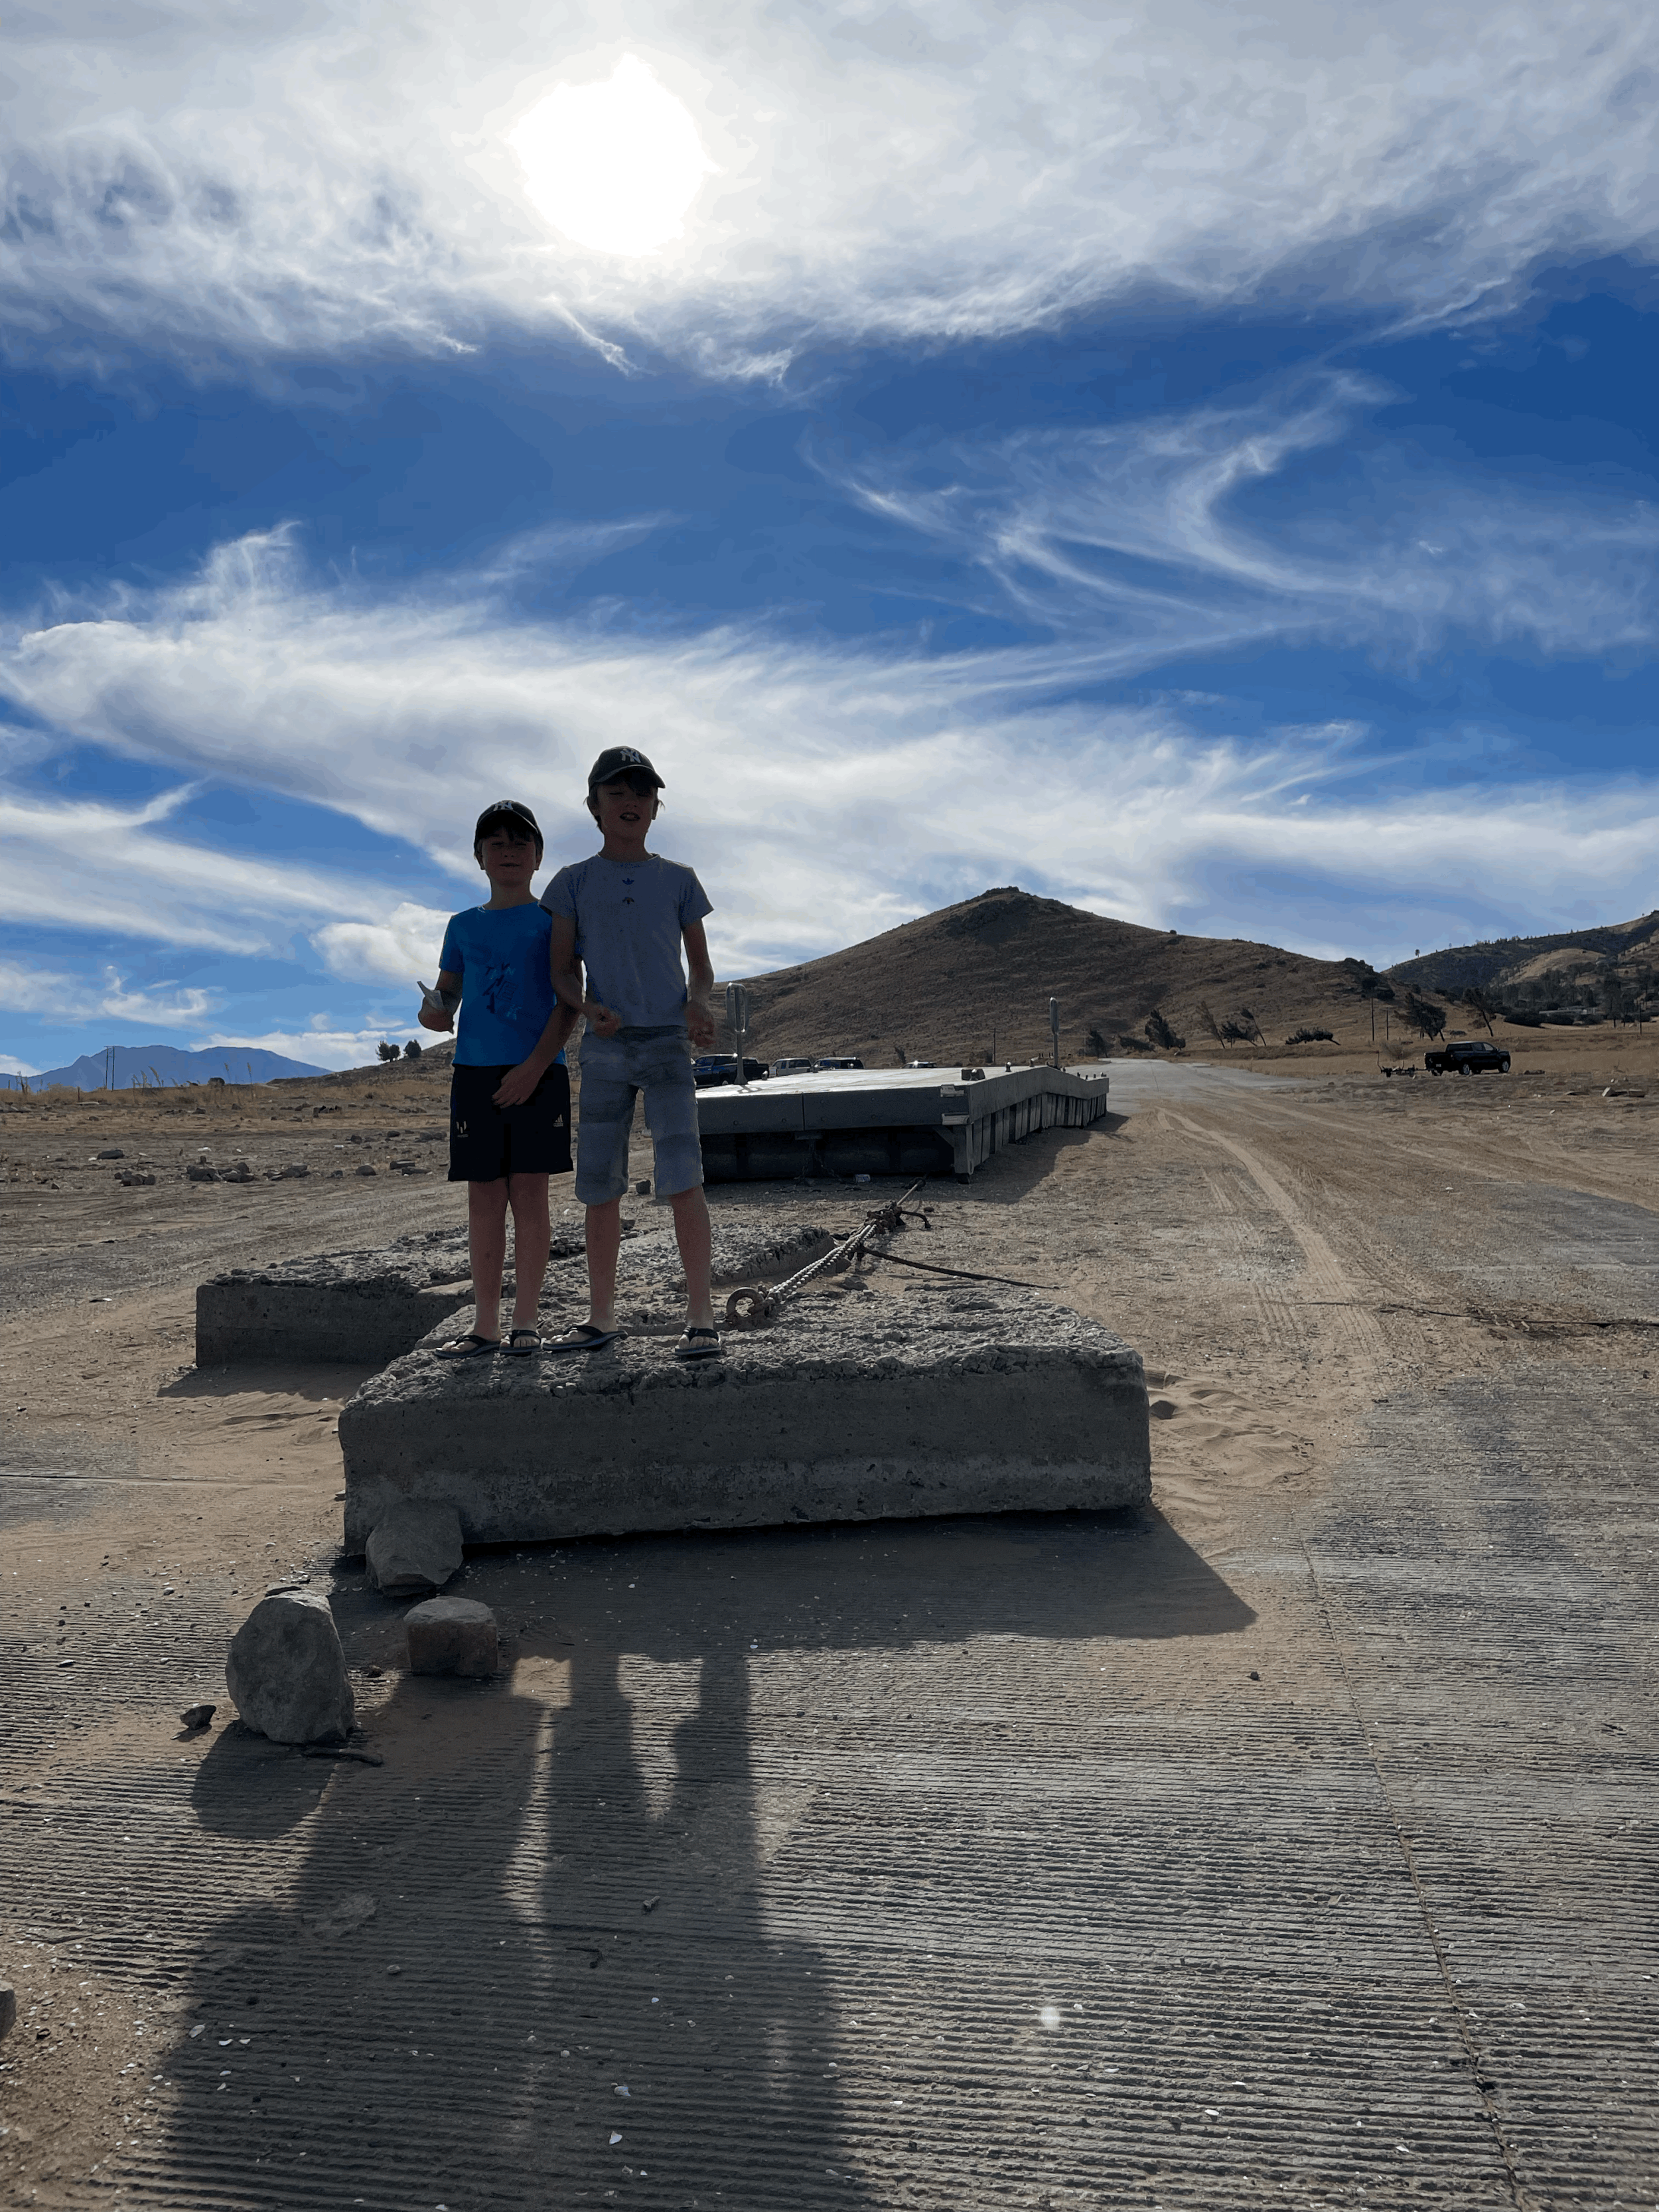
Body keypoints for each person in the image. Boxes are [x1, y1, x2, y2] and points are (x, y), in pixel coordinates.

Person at [540, 747, 721, 1359]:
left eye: (641, 792)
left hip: (669, 1043)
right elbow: (561, 969)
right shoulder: (571, 882)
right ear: (595, 806)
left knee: (683, 1178)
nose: (630, 801)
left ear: (654, 808)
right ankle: (601, 1317)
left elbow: (700, 967)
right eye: (616, 792)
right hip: (607, 1048)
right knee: (599, 1184)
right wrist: (588, 1009)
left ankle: (701, 1316)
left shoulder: (680, 879)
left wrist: (698, 1005)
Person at [418, 798, 577, 1358]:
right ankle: (485, 1325)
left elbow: (569, 1003)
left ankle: (526, 1321)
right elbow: (446, 997)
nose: (508, 851)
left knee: (531, 1195)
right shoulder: (461, 926)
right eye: (497, 842)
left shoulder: (555, 921)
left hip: (541, 1071)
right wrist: (432, 1015)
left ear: (538, 856)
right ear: (479, 856)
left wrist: (533, 1068)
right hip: (474, 1074)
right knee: (484, 1200)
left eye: (520, 842)